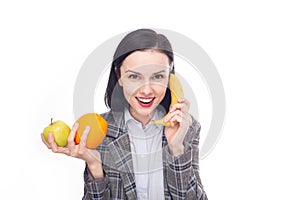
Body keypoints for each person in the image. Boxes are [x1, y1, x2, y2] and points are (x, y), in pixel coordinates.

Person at [41, 28, 208, 200]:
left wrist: (177, 149)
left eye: (158, 76)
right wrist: (95, 167)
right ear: (119, 75)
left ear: (169, 76)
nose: (146, 90)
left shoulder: (187, 127)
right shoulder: (97, 130)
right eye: (134, 77)